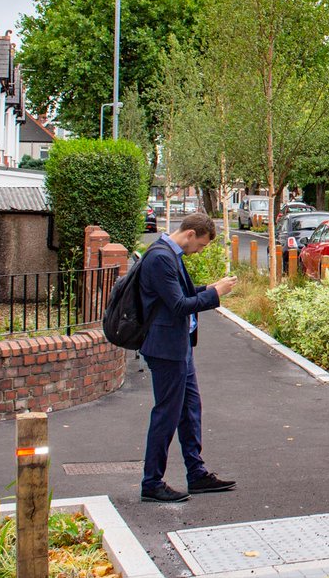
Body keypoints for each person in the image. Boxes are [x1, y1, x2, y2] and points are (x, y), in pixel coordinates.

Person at [139, 212, 239, 503]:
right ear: (191, 234)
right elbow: (179, 305)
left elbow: (180, 292)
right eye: (202, 245)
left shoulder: (170, 254)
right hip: (165, 349)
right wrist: (215, 295)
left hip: (179, 346)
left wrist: (209, 288)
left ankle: (196, 473)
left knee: (190, 410)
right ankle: (152, 482)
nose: (200, 251)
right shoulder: (160, 257)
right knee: (167, 415)